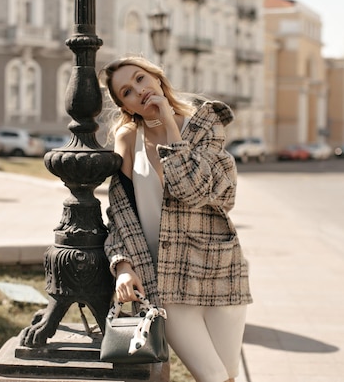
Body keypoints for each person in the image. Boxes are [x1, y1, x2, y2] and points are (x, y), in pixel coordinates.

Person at [99, 56, 252, 382]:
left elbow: (195, 190)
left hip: (219, 270)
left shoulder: (204, 126)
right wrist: (122, 265)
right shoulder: (128, 139)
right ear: (125, 106)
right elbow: (120, 215)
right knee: (212, 376)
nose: (138, 90)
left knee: (227, 375)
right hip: (167, 279)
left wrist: (170, 124)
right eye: (127, 91)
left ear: (156, 77)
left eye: (141, 79)